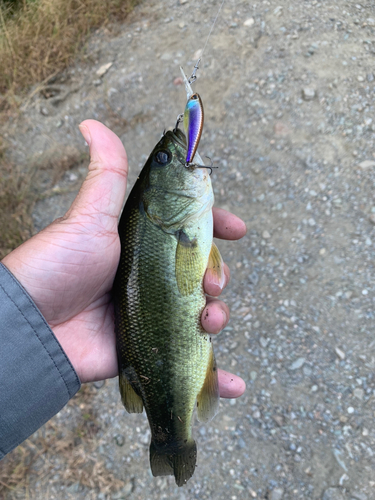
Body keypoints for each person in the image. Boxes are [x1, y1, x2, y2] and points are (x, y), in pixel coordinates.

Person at [0, 120, 246, 459]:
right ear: (155, 202)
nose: (172, 153)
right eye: (163, 160)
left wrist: (27, 327)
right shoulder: (167, 222)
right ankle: (171, 440)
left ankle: (171, 440)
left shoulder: (171, 221)